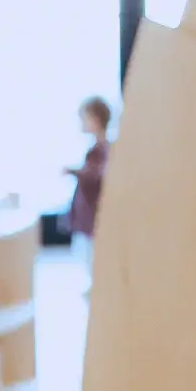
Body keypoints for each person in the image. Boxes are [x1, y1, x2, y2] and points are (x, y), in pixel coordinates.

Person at [65, 95, 111, 277]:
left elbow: (97, 176)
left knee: (93, 261)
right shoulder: (97, 150)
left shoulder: (101, 150)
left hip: (93, 218)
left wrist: (74, 172)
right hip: (88, 218)